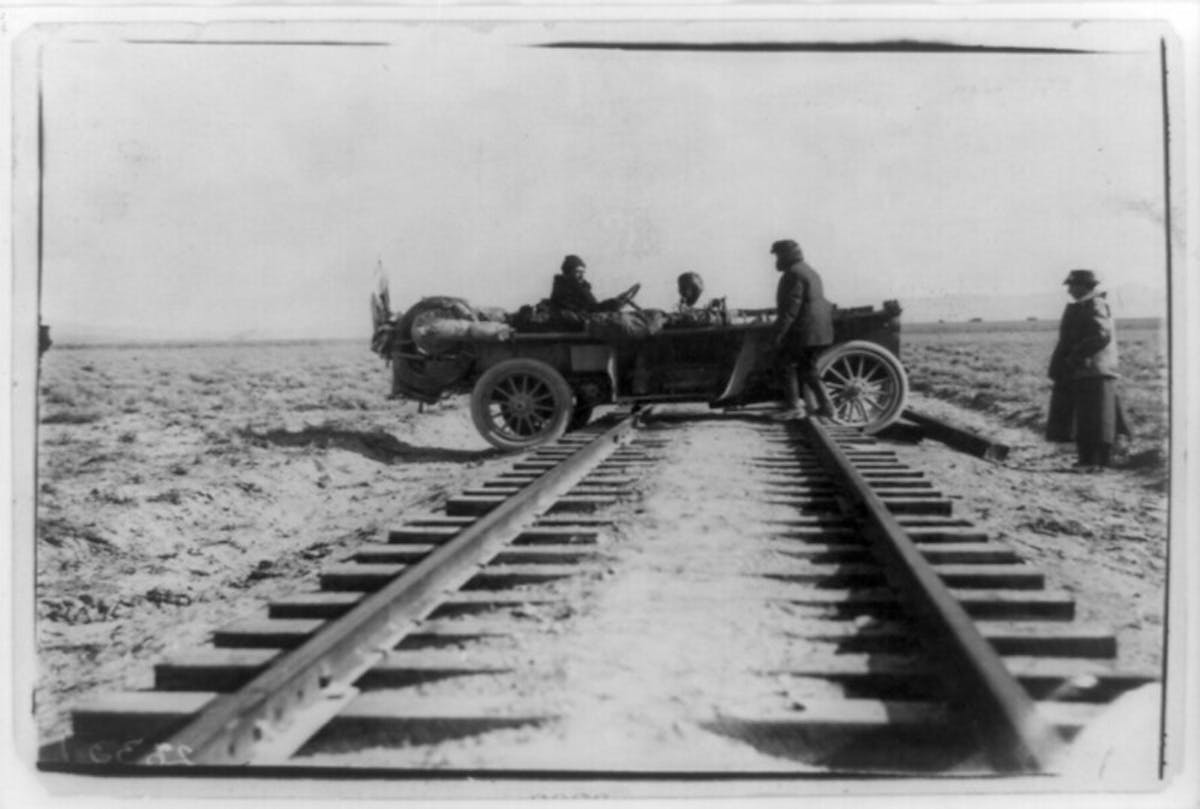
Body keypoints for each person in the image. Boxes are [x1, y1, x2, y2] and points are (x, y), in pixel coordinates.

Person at [1046, 268, 1129, 471]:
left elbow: (1101, 335)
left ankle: (1097, 461)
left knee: (1097, 419)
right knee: (1089, 417)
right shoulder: (1086, 305)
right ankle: (1089, 460)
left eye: (1073, 285)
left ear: (1085, 286)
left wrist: (1075, 356)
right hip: (1088, 370)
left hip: (1095, 370)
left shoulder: (1095, 304)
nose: (1070, 290)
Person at [771, 239, 835, 418]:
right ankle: (827, 407)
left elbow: (790, 310)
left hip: (806, 332)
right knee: (808, 369)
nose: (776, 260)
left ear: (786, 255)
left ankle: (793, 407)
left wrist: (778, 335)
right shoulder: (808, 270)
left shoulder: (793, 274)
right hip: (818, 331)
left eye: (778, 255)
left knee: (785, 362)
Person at [550, 254, 640, 314]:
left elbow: (592, 307)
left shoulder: (577, 286)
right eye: (578, 272)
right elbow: (591, 309)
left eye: (583, 272)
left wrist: (615, 302)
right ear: (568, 272)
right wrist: (613, 303)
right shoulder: (566, 287)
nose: (581, 275)